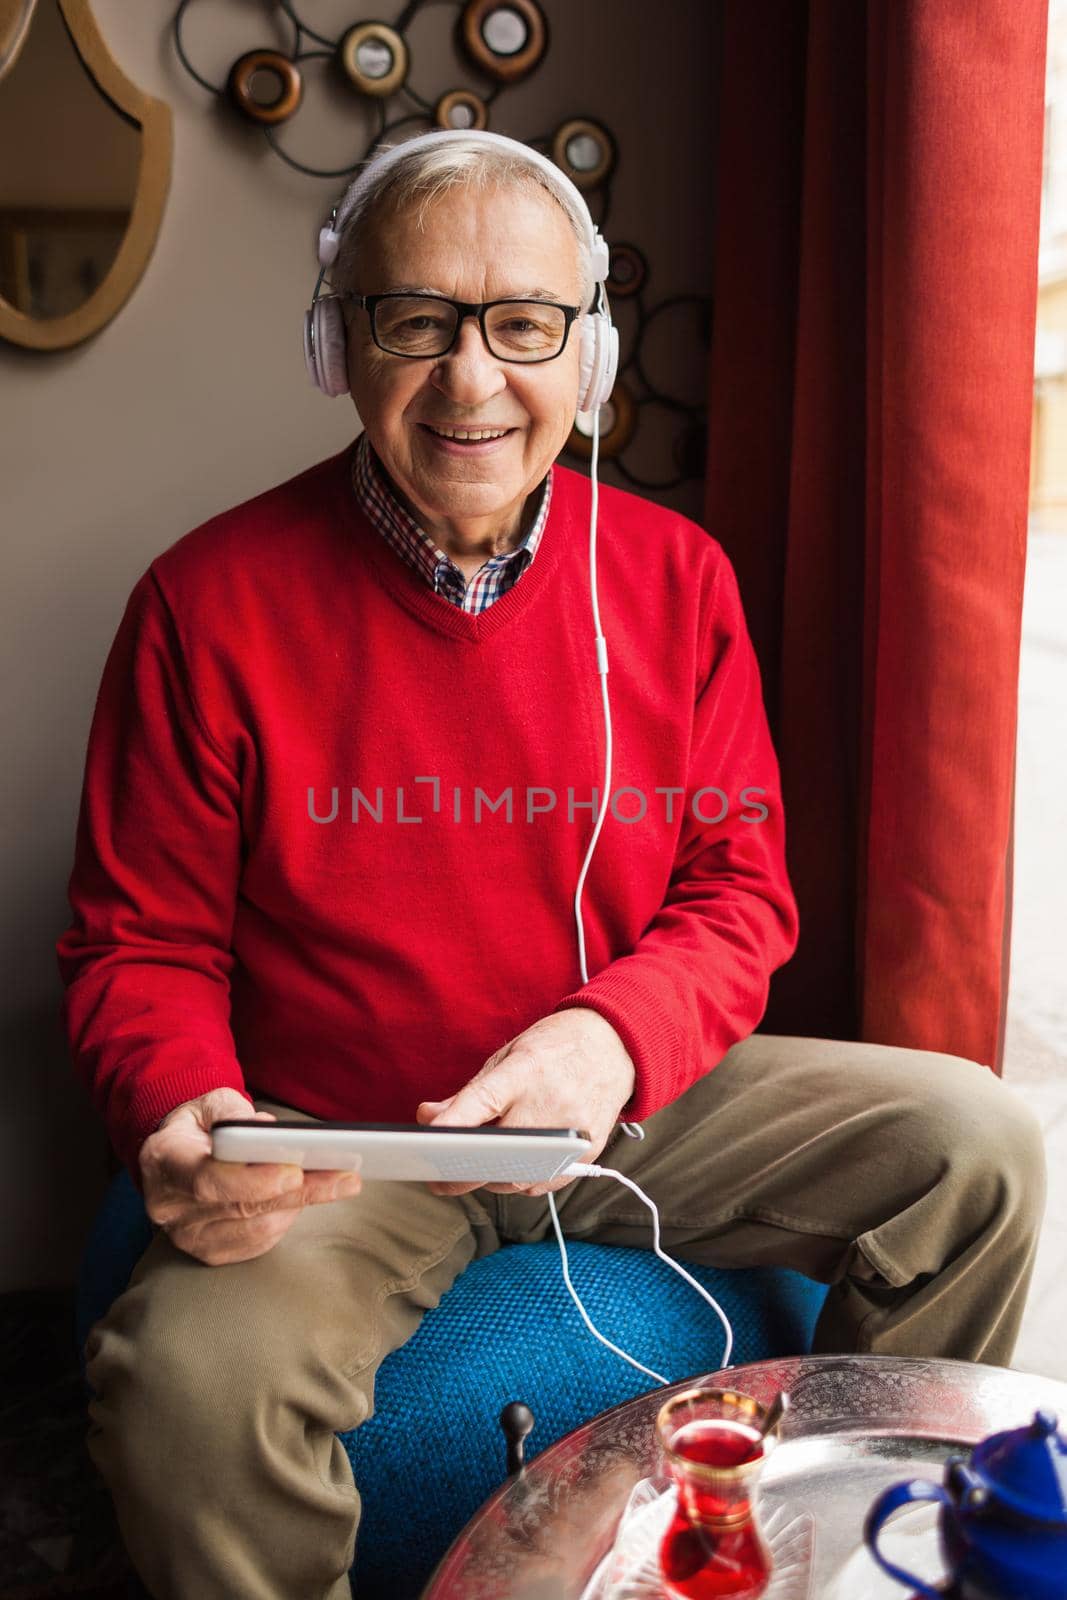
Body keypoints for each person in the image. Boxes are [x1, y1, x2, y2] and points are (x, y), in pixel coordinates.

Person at [56, 130, 1046, 1600]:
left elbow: (738, 895)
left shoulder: (675, 578)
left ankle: (861, 1556)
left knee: (982, 1152)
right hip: (347, 1142)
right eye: (416, 322)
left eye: (522, 327)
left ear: (586, 358)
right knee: (187, 1394)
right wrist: (184, 1105)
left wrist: (606, 1039)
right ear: (342, 344)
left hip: (634, 1108)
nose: (471, 381)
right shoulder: (205, 605)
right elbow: (138, 946)